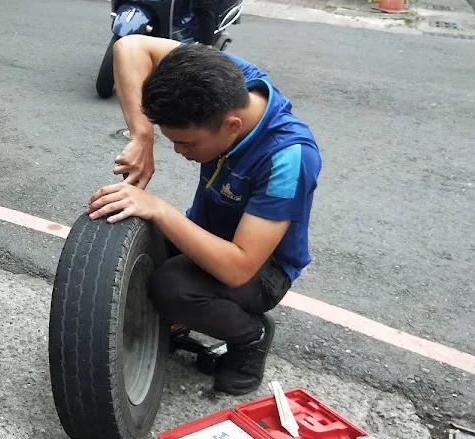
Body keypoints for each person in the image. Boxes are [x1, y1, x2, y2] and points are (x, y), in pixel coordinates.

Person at [87, 37, 321, 396]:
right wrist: (142, 136)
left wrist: (160, 208)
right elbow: (130, 46)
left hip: (261, 269)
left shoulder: (288, 158)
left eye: (188, 143)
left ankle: (251, 336)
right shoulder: (226, 78)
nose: (178, 151)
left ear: (231, 125)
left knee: (172, 287)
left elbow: (238, 266)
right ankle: (174, 318)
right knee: (123, 221)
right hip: (208, 230)